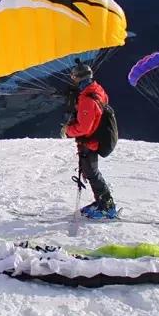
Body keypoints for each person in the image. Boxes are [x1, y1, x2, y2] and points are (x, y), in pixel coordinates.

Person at [61, 62, 117, 219]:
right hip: (95, 138)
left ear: (78, 78)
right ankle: (101, 202)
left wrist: (68, 130)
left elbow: (84, 128)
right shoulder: (97, 89)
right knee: (90, 172)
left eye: (74, 77)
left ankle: (107, 206)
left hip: (90, 142)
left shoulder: (87, 98)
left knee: (92, 173)